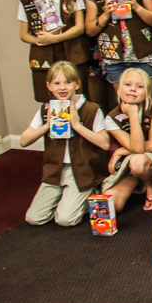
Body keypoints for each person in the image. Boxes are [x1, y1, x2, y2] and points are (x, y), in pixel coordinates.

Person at [21, 62, 110, 226]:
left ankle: (91, 192)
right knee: (34, 218)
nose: (62, 87)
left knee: (65, 220)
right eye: (57, 83)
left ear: (77, 84)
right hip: (55, 170)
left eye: (67, 82)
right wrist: (46, 125)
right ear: (49, 86)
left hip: (82, 171)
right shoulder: (46, 109)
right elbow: (24, 141)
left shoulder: (91, 109)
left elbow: (105, 143)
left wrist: (77, 125)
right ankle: (65, 199)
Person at [19, 0, 89, 103]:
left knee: (79, 99)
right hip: (44, 57)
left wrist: (55, 38)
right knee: (50, 102)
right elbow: (23, 34)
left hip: (74, 53)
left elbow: (80, 27)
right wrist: (41, 40)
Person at [100, 68, 152, 213]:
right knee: (112, 206)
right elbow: (135, 147)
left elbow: (151, 146)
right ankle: (135, 180)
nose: (133, 89)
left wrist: (132, 114)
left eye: (139, 86)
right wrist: (125, 151)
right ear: (118, 90)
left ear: (148, 93)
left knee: (138, 161)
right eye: (127, 85)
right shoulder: (111, 118)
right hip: (128, 162)